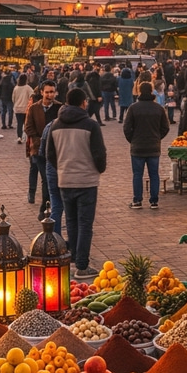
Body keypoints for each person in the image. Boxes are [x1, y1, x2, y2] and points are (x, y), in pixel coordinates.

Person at [46, 87, 107, 280]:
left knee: (71, 221)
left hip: (65, 180)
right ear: (83, 103)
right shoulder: (91, 125)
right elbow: (99, 154)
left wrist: (63, 167)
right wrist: (98, 169)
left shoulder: (55, 125)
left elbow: (50, 155)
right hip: (86, 181)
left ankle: (74, 257)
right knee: (85, 224)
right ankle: (82, 265)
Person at [123, 81, 170, 210]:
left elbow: (127, 128)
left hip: (137, 147)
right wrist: (157, 138)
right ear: (151, 91)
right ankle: (154, 201)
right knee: (154, 174)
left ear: (139, 91)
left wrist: (132, 140)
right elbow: (165, 127)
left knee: (137, 174)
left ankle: (137, 200)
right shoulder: (158, 108)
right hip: (153, 146)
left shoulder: (133, 108)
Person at [24, 81, 62, 213]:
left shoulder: (59, 108)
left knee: (50, 180)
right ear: (41, 92)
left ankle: (47, 207)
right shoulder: (34, 108)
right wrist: (39, 139)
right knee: (45, 179)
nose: (49, 95)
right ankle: (44, 208)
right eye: (47, 92)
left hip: (55, 149)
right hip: (38, 149)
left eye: (52, 92)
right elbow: (28, 127)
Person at [12, 74, 33, 144]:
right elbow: (32, 95)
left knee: (19, 123)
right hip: (25, 108)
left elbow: (13, 99)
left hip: (17, 108)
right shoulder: (27, 88)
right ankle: (26, 137)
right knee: (26, 123)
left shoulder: (16, 88)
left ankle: (19, 137)